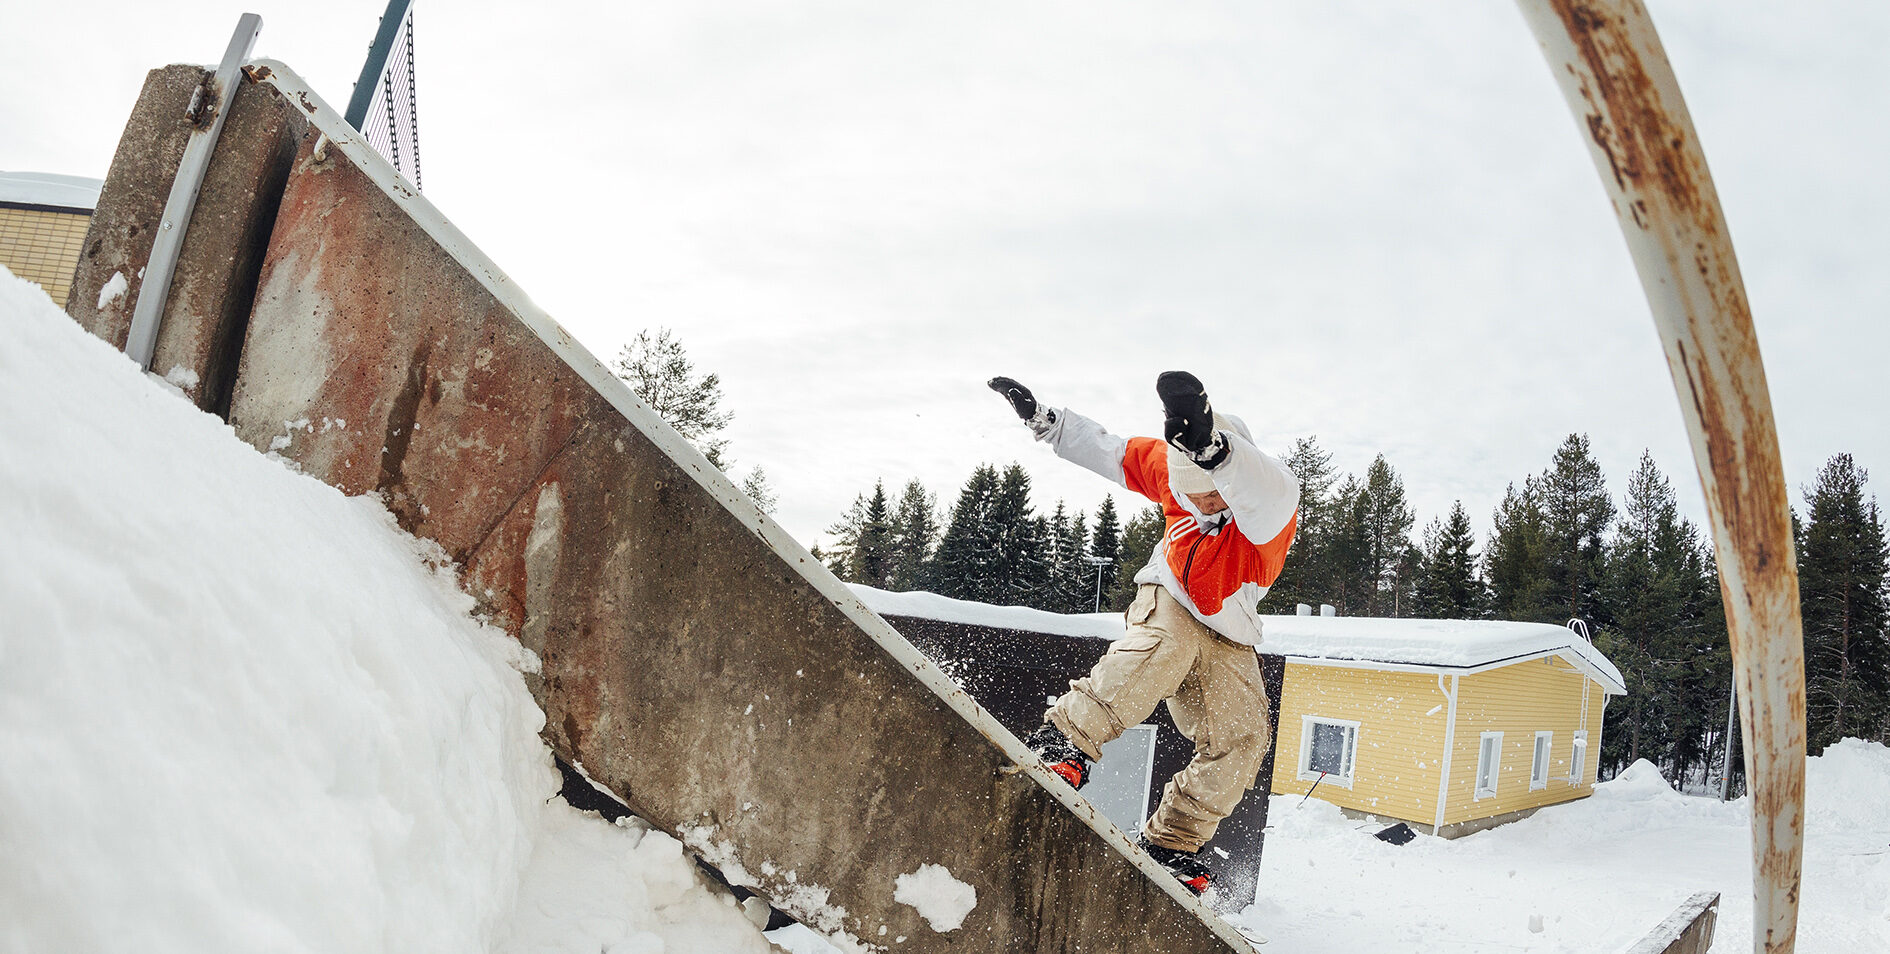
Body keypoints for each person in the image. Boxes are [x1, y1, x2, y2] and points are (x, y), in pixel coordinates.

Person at [987, 371, 1299, 896]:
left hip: (1230, 628)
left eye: (1211, 498)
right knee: (1162, 649)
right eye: (1191, 498)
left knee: (1245, 734)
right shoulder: (1174, 475)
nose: (1201, 507)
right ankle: (1066, 741)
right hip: (1170, 595)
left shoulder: (1270, 512)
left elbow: (1268, 487)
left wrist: (1216, 453)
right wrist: (1047, 422)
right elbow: (1114, 453)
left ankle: (1173, 841)